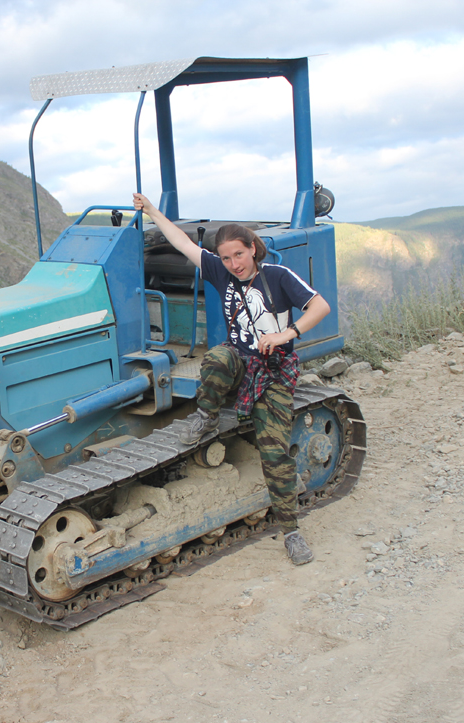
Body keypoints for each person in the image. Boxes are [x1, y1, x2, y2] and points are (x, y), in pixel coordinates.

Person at [132, 192, 331, 566]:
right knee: (219, 356)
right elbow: (181, 242)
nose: (233, 264)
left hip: (272, 372)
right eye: (226, 258)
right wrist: (153, 211)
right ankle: (206, 417)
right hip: (241, 363)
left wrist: (287, 335)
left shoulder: (278, 276)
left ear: (253, 249)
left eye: (239, 254)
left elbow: (320, 306)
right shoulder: (221, 273)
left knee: (274, 453)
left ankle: (291, 532)